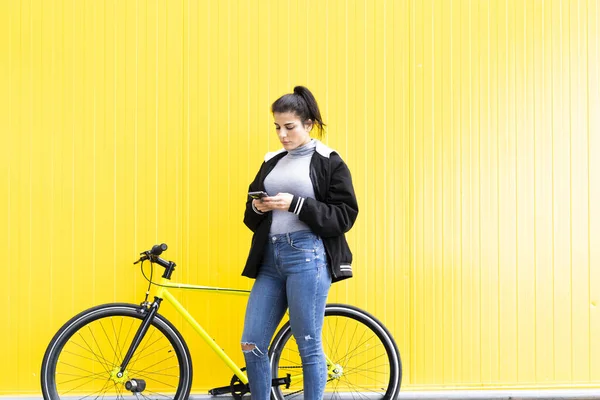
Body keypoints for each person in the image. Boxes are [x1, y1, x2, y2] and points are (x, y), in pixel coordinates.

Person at [240, 86, 359, 400]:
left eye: (289, 127)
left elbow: (345, 215)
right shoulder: (271, 161)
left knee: (308, 344)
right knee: (251, 343)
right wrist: (257, 207)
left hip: (307, 256)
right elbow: (250, 216)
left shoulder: (328, 160)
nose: (282, 134)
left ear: (308, 125)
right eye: (277, 127)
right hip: (270, 259)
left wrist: (296, 204)